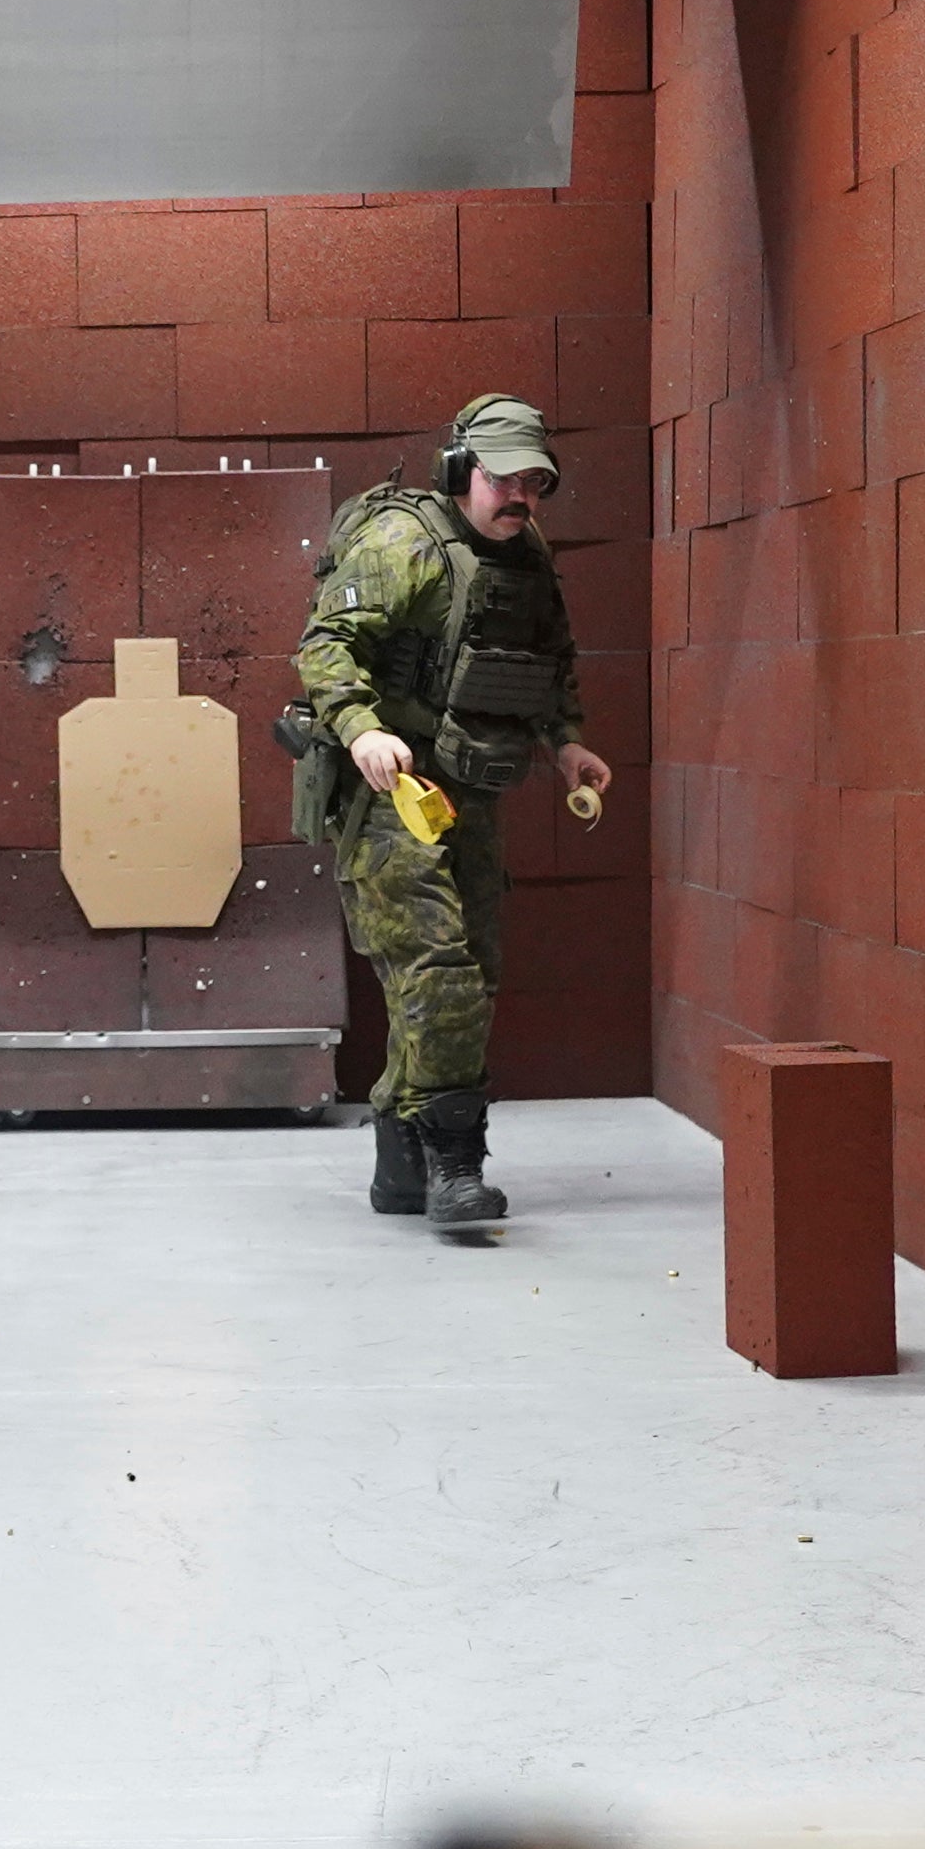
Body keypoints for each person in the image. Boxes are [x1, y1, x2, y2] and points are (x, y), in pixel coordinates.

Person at [294, 392, 613, 1231]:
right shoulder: (404, 543)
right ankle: (454, 1168)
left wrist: (567, 742)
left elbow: (550, 658)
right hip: (391, 792)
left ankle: (400, 1168)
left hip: (469, 792)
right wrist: (361, 730)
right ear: (463, 472)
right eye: (506, 480)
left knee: (470, 970)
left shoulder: (526, 553)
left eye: (536, 484)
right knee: (439, 973)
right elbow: (326, 647)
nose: (521, 498)